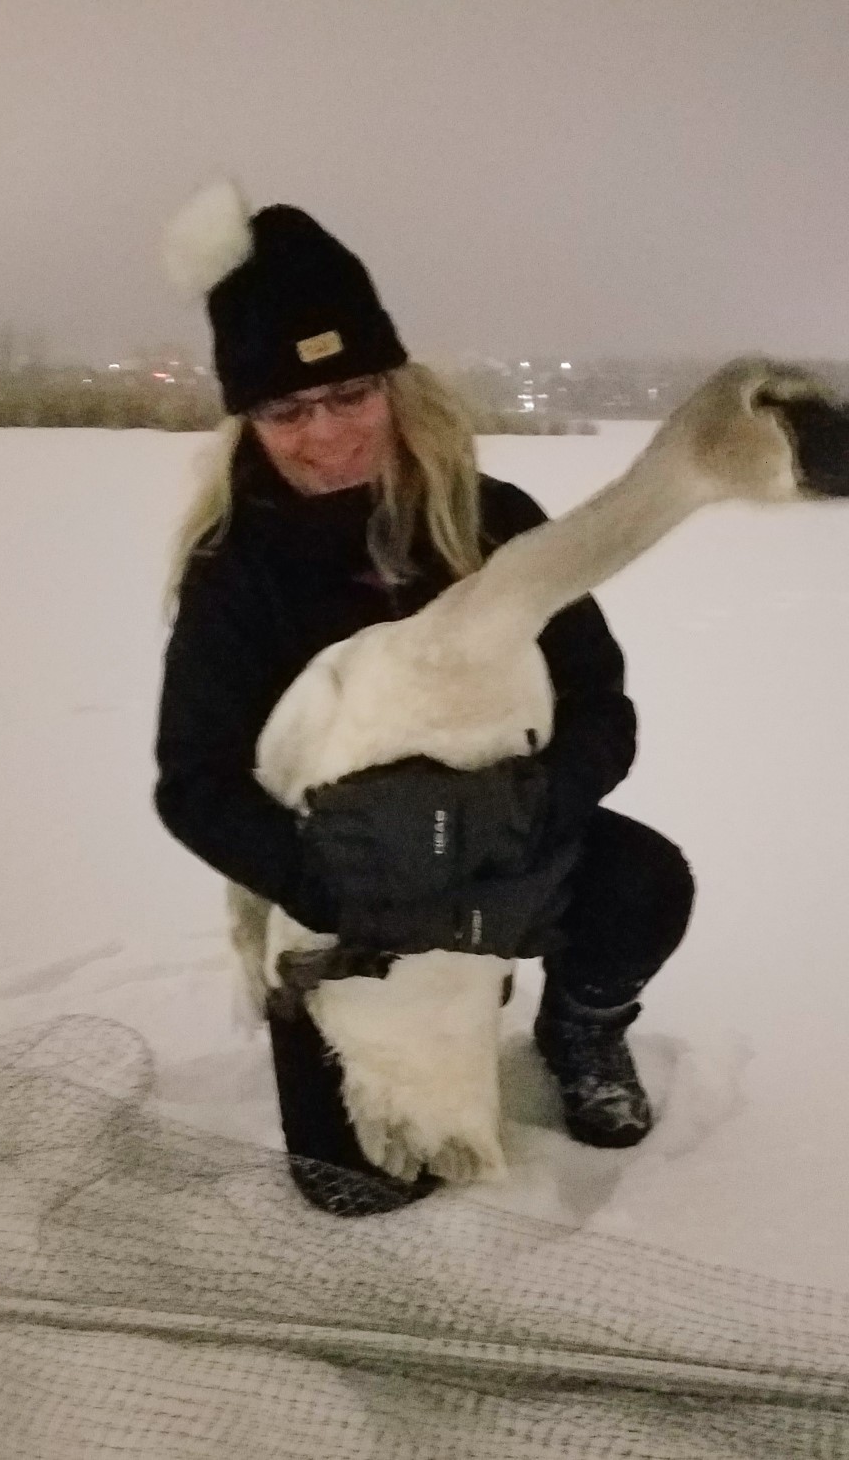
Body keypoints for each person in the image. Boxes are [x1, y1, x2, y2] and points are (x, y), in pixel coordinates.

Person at [153, 196, 695, 1214]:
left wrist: (531, 806)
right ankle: (401, 994)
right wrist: (320, 878)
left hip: (500, 855)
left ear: (395, 384)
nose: (324, 436)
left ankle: (579, 1028)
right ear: (248, 420)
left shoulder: (496, 525)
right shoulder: (235, 571)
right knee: (357, 1187)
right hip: (345, 906)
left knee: (645, 881)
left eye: (350, 392)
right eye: (285, 409)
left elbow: (601, 709)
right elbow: (194, 783)